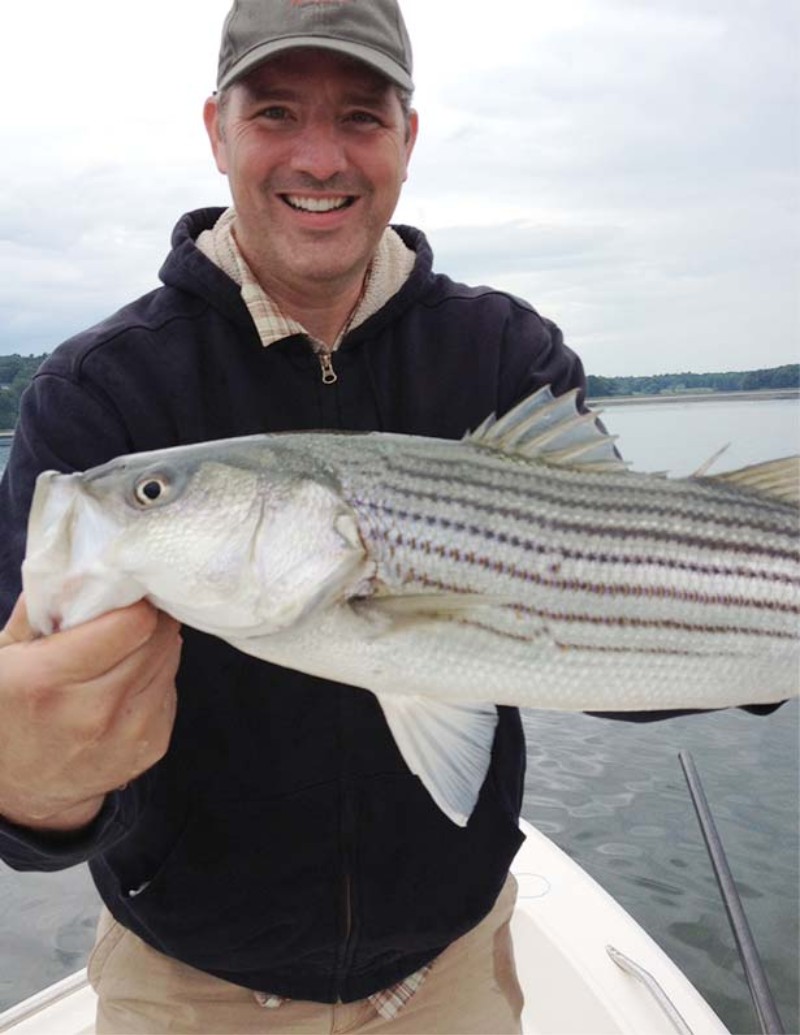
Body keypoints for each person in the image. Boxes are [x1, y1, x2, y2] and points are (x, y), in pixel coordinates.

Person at [0, 2, 779, 1033]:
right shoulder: (99, 393)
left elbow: (606, 612)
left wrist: (759, 638)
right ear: (216, 129)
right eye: (275, 111)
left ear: (406, 137)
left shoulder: (503, 350)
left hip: (451, 964)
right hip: (191, 980)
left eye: (360, 117)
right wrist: (36, 791)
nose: (318, 157)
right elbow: (33, 751)